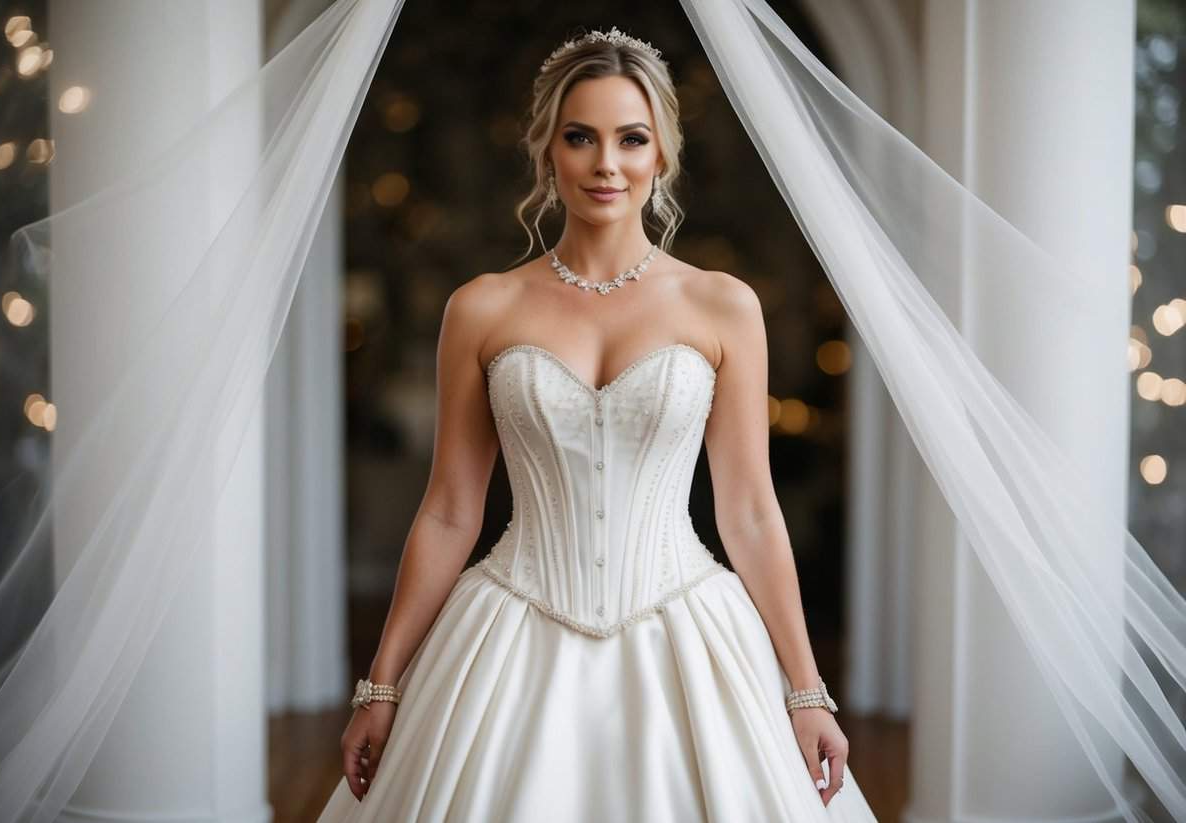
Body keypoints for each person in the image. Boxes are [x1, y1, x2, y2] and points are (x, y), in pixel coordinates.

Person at [316, 27, 878, 822]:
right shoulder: (482, 307)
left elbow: (749, 509)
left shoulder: (723, 306)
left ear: (662, 156)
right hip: (511, 629)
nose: (606, 163)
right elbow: (449, 508)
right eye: (580, 137)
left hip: (688, 630)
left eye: (631, 139)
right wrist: (382, 682)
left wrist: (805, 690)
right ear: (546, 151)